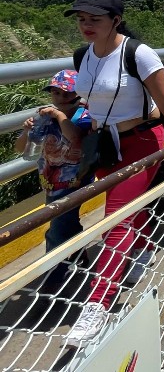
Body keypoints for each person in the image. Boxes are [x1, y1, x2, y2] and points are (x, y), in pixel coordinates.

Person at [63, 0, 164, 347]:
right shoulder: (82, 56)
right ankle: (144, 249)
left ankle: (98, 305)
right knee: (130, 210)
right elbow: (89, 100)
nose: (85, 25)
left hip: (141, 142)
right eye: (81, 18)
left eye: (95, 19)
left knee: (116, 218)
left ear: (115, 20)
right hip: (105, 145)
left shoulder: (138, 53)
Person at [14, 70, 93, 261]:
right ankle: (79, 258)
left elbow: (75, 139)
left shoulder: (84, 117)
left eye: (67, 94)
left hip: (74, 182)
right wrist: (26, 131)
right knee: (67, 222)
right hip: (51, 182)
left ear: (78, 95)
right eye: (56, 93)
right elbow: (20, 149)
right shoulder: (45, 117)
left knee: (56, 230)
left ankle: (54, 277)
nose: (61, 98)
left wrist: (58, 115)